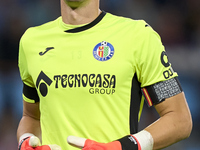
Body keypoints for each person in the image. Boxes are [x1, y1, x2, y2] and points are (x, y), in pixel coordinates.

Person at [17, 0, 192, 150]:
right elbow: (31, 116)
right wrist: (25, 140)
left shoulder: (138, 36)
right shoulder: (31, 42)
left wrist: (121, 147)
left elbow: (180, 119)